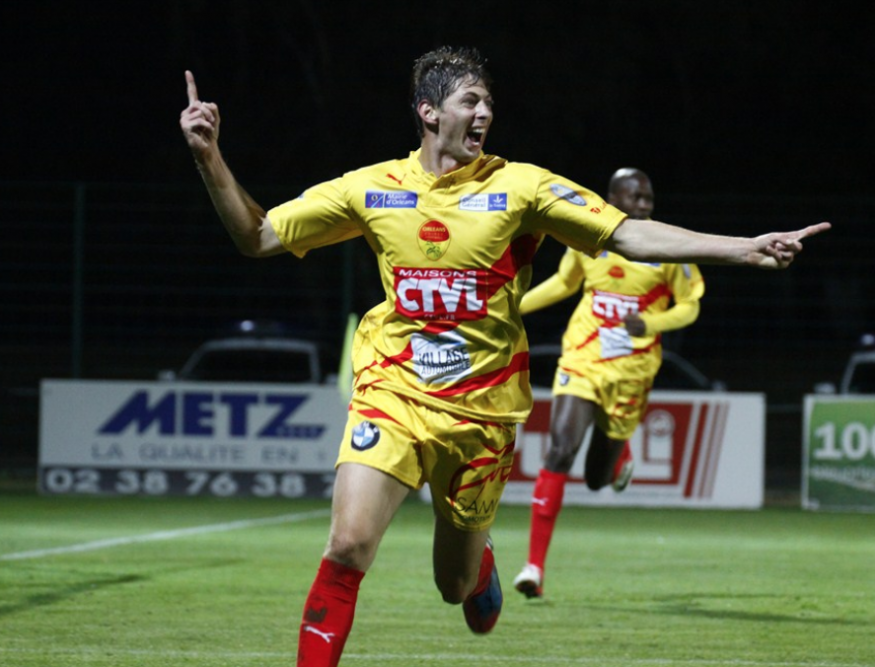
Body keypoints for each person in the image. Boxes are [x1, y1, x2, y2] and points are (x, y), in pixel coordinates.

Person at [179, 46, 829, 667]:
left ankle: (479, 562)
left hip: (483, 415)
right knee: (348, 544)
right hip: (393, 390)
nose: (484, 114)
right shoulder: (371, 188)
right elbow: (257, 235)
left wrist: (745, 247)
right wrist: (210, 156)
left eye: (488, 102)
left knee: (453, 585)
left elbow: (629, 234)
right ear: (429, 111)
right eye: (471, 100)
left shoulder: (522, 188)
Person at [511, 167, 704, 599]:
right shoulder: (590, 238)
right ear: (613, 199)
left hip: (632, 371)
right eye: (636, 197)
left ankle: (620, 452)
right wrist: (512, 307)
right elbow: (565, 283)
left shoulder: (666, 246)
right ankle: (533, 568)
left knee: (597, 479)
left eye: (649, 197)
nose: (645, 205)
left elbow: (690, 306)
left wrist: (650, 323)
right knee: (559, 449)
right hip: (583, 357)